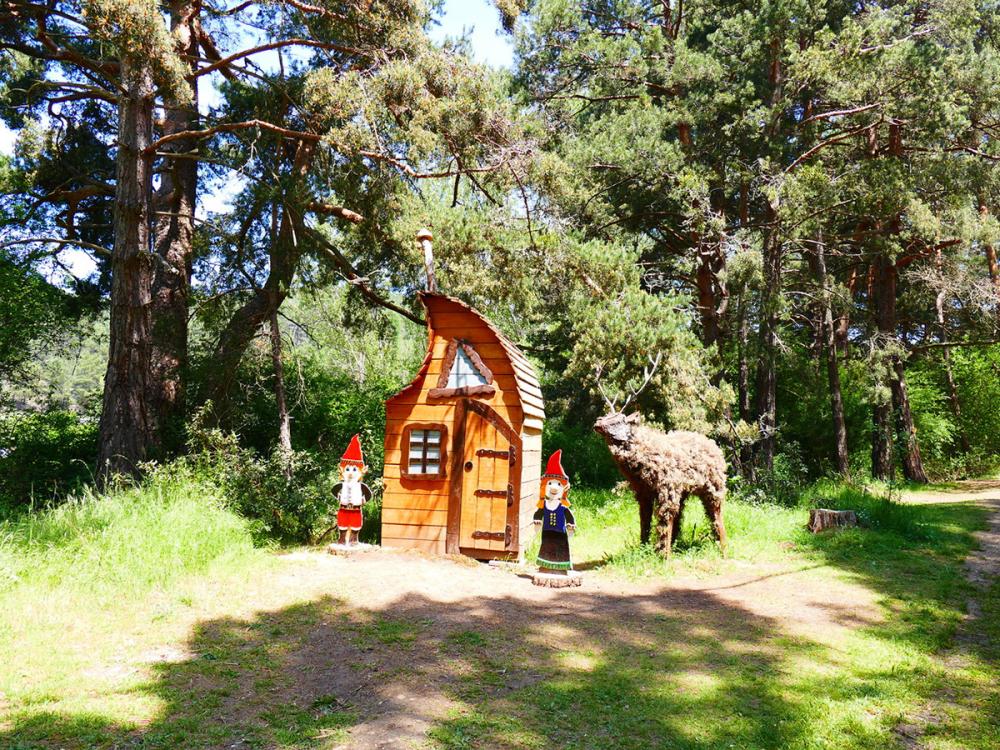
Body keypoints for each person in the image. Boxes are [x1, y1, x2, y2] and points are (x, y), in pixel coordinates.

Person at [533, 450, 575, 572]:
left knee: (560, 548)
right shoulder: (544, 504)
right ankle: (545, 566)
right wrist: (536, 520)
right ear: (544, 486)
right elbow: (539, 513)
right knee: (546, 547)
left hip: (560, 532)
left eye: (558, 484)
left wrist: (571, 525)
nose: (554, 487)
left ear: (564, 488)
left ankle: (561, 568)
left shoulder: (562, 506)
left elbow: (569, 516)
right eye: (550, 483)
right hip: (547, 531)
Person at [332, 434, 372, 546]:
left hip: (356, 509)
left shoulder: (360, 486)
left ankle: (354, 540)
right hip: (343, 508)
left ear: (361, 471)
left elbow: (368, 494)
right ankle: (342, 539)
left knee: (355, 524)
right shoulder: (342, 484)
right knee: (342, 524)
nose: (350, 472)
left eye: (354, 469)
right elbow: (334, 490)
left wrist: (363, 500)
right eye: (348, 469)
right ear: (342, 470)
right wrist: (339, 497)